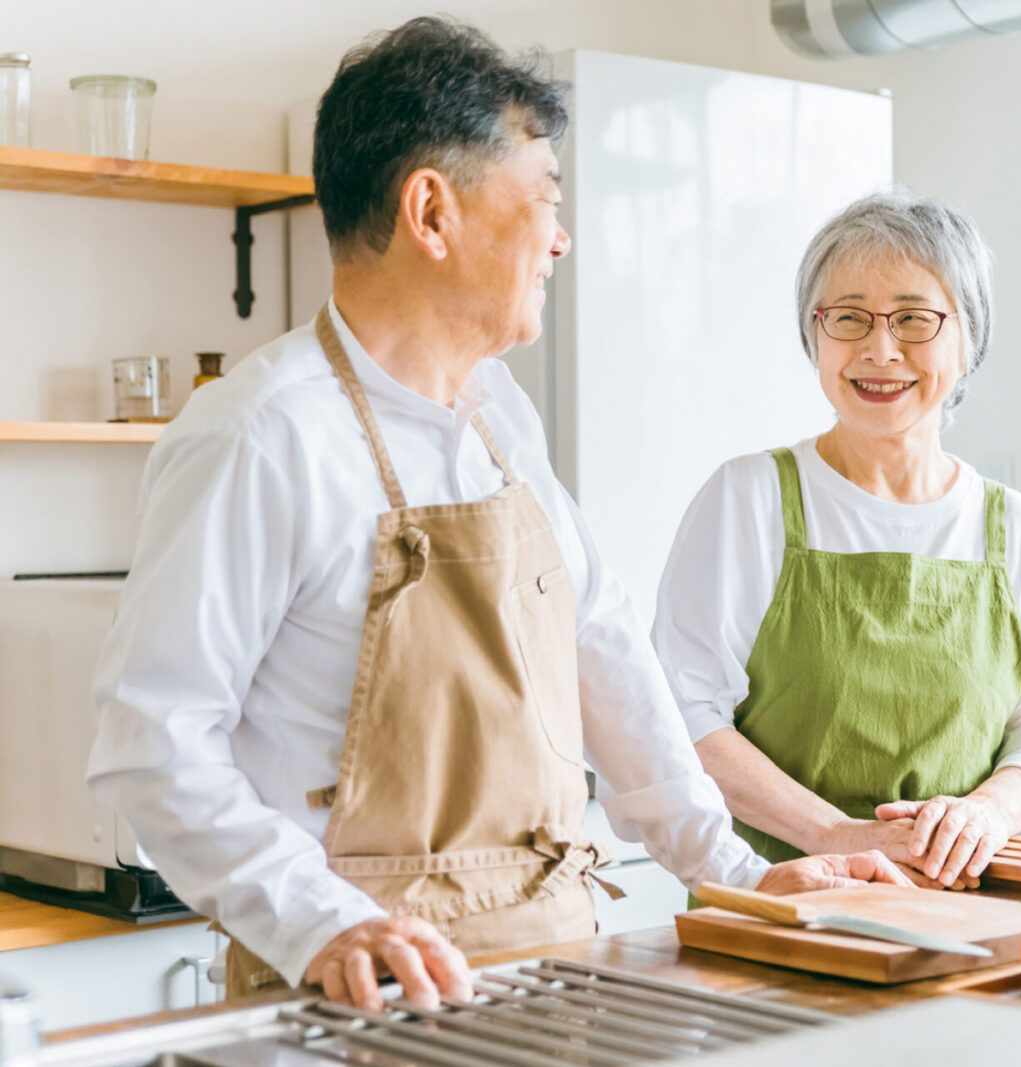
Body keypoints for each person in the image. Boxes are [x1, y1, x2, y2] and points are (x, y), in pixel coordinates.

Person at [87, 17, 905, 1014]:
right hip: (362, 1001)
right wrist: (322, 922)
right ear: (432, 211)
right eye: (545, 200)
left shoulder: (501, 416)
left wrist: (732, 870)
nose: (561, 236)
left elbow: (601, 650)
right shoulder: (258, 435)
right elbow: (154, 744)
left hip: (551, 977)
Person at [652, 189, 1021, 891]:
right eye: (849, 317)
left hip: (963, 903)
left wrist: (987, 811)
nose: (879, 349)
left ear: (969, 334)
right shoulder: (748, 498)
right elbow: (683, 714)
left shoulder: (1016, 528)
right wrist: (840, 837)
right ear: (815, 334)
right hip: (781, 904)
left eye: (915, 318)